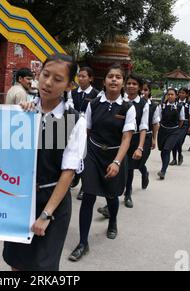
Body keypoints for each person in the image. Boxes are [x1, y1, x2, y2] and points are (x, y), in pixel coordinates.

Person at [3, 54, 86, 271]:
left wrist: (46, 214)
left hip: (52, 202)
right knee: (17, 262)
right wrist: (18, 118)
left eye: (57, 79)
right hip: (21, 197)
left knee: (43, 267)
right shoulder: (23, 112)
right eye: (45, 74)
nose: (48, 82)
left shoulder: (72, 120)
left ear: (69, 85)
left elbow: (68, 172)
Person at [68, 64, 135, 262]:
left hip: (114, 156)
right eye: (110, 76)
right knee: (88, 196)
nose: (114, 80)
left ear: (122, 83)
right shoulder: (93, 104)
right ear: (104, 81)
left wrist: (116, 162)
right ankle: (82, 243)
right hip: (93, 154)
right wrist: (78, 156)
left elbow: (126, 138)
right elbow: (85, 132)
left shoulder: (127, 108)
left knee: (112, 196)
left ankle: (112, 220)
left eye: (118, 77)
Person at [68, 67, 100, 200]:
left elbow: (96, 113)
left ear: (91, 78)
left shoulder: (96, 94)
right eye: (79, 76)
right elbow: (69, 108)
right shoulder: (72, 92)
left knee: (85, 157)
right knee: (73, 153)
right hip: (73, 128)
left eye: (83, 76)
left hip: (88, 130)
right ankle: (74, 176)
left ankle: (84, 187)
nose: (80, 79)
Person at [121, 73, 149, 208]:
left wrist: (140, 147)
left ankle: (128, 194)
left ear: (139, 87)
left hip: (135, 139)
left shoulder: (144, 104)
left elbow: (144, 126)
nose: (131, 86)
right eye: (129, 83)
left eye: (134, 84)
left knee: (129, 168)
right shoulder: (121, 100)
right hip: (119, 138)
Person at [156, 88, 185, 180]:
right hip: (163, 130)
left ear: (176, 96)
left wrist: (176, 129)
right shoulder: (162, 106)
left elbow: (181, 120)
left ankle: (163, 171)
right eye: (168, 94)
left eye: (172, 94)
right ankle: (164, 165)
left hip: (174, 131)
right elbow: (158, 119)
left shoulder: (180, 106)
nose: (170, 96)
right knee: (162, 150)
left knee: (167, 149)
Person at [170, 88, 190, 166]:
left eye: (183, 93)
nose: (181, 94)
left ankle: (180, 155)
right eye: (180, 93)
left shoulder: (189, 103)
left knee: (179, 141)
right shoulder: (175, 102)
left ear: (186, 94)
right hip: (175, 123)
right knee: (173, 141)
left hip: (185, 124)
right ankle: (174, 159)